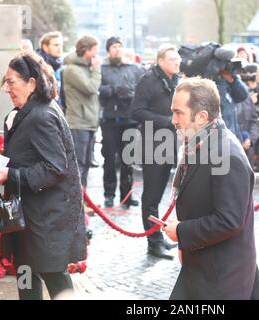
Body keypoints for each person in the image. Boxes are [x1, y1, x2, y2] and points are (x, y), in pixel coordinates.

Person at [0, 52, 87, 300]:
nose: (7, 89)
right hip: (29, 219)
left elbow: (56, 167)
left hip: (46, 220)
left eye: (12, 82)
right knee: (26, 278)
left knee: (56, 280)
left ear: (32, 83)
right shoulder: (27, 113)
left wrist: (11, 175)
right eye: (6, 82)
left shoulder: (41, 116)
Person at [162, 77, 258, 299]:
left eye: (179, 113)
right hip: (203, 266)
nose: (173, 120)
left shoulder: (227, 155)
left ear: (202, 117)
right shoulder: (202, 141)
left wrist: (181, 232)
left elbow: (229, 221)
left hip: (221, 278)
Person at [131, 44, 180, 260]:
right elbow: (136, 111)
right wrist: (166, 122)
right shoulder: (148, 80)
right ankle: (153, 243)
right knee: (151, 196)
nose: (177, 62)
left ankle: (158, 237)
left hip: (170, 143)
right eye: (172, 59)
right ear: (160, 61)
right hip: (153, 143)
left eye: (177, 58)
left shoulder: (175, 80)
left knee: (159, 194)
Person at [99, 37, 145, 208]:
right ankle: (109, 193)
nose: (116, 50)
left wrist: (130, 93)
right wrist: (113, 90)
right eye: (113, 47)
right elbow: (97, 89)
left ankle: (127, 194)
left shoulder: (135, 69)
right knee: (109, 159)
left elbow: (141, 91)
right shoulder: (102, 69)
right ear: (108, 50)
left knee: (128, 160)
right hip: (109, 120)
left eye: (119, 46)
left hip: (129, 120)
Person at [63, 35, 101, 188]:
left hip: (89, 122)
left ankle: (83, 201)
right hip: (78, 123)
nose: (96, 57)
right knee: (78, 165)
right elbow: (91, 88)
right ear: (86, 51)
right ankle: (75, 203)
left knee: (85, 165)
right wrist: (96, 70)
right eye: (95, 52)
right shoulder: (72, 70)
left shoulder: (87, 68)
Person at [36, 31, 64, 108]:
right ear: (45, 47)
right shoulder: (38, 64)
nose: (59, 48)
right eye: (56, 45)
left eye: (61, 45)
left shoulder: (58, 64)